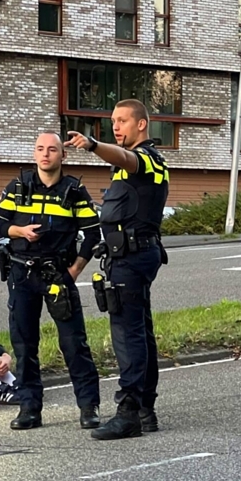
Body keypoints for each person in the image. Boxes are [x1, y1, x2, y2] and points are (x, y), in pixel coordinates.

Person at [65, 99, 169, 441]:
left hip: (133, 257)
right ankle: (144, 409)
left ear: (142, 124)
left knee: (128, 335)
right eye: (113, 121)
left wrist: (93, 145)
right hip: (128, 256)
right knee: (140, 332)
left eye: (122, 121)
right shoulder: (127, 167)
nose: (116, 126)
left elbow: (127, 157)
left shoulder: (147, 159)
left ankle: (128, 413)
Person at [0, 133, 102, 429]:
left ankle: (88, 407)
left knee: (74, 344)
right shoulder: (18, 186)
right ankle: (29, 408)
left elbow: (93, 233)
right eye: (40, 149)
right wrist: (18, 231)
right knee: (25, 345)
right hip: (21, 274)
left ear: (62, 156)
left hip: (59, 275)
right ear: (34, 154)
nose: (46, 154)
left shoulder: (74, 190)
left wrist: (75, 271)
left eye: (52, 149)